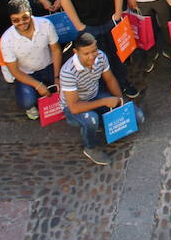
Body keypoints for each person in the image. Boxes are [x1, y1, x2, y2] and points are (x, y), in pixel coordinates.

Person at [60, 32, 144, 166]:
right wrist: (104, 102)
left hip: (94, 95)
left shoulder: (101, 56)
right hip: (74, 108)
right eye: (86, 53)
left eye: (94, 51)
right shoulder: (68, 72)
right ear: (75, 52)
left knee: (138, 116)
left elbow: (110, 79)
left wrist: (119, 101)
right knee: (91, 120)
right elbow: (74, 107)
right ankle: (90, 147)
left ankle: (103, 123)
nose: (92, 56)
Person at [1, 0, 63, 120]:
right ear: (11, 20)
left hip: (48, 67)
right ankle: (32, 98)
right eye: (16, 20)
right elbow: (14, 71)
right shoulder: (6, 39)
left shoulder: (45, 24)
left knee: (67, 87)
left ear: (31, 13)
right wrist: (38, 85)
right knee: (26, 102)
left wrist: (57, 77)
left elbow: (56, 50)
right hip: (25, 73)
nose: (21, 23)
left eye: (25, 17)